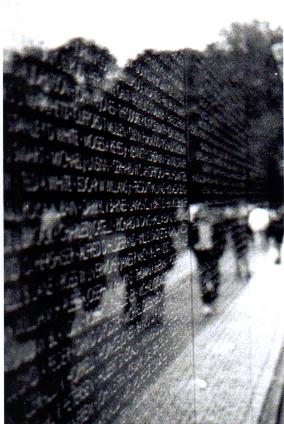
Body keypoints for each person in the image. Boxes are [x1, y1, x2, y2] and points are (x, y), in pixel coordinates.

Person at [188, 204, 224, 315]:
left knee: (215, 278)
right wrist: (195, 248)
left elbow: (221, 240)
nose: (203, 215)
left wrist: (218, 252)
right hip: (201, 255)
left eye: (204, 212)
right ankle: (206, 303)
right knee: (203, 279)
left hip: (213, 255)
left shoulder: (215, 225)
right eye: (200, 213)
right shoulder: (193, 227)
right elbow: (190, 241)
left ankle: (213, 297)